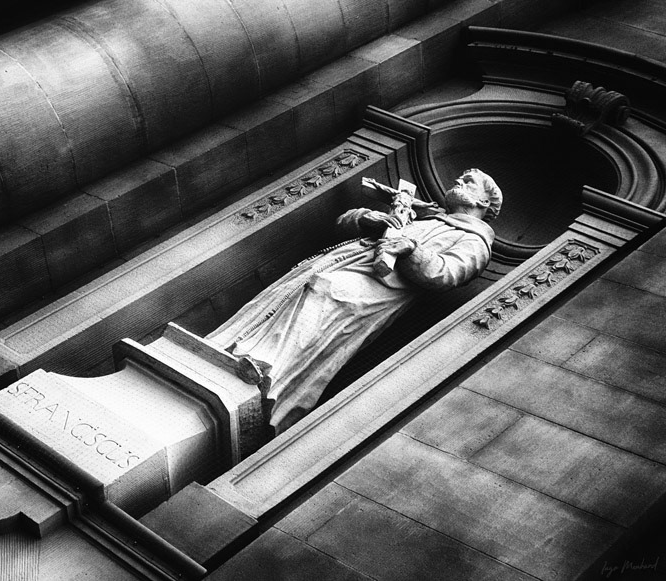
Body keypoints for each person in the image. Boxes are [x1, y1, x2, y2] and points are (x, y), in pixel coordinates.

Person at [206, 169, 502, 433]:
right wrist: (367, 218)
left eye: (468, 182)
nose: (457, 181)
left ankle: (269, 373)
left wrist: (411, 249)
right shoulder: (421, 213)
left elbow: (445, 274)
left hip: (371, 288)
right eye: (460, 177)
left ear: (484, 203)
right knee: (297, 290)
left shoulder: (475, 242)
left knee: (324, 294)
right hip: (339, 261)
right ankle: (231, 346)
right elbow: (344, 225)